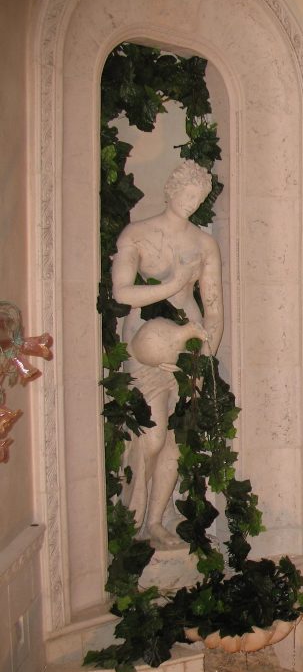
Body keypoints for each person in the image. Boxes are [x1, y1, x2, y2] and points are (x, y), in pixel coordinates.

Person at [111, 160, 223, 548]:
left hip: (187, 351)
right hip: (144, 348)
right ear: (172, 190)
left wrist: (204, 357)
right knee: (152, 437)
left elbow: (213, 308)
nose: (192, 203)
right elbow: (122, 293)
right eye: (188, 194)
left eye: (199, 198)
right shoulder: (137, 234)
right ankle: (133, 520)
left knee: (176, 439)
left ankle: (156, 521)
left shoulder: (205, 245)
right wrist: (173, 284)